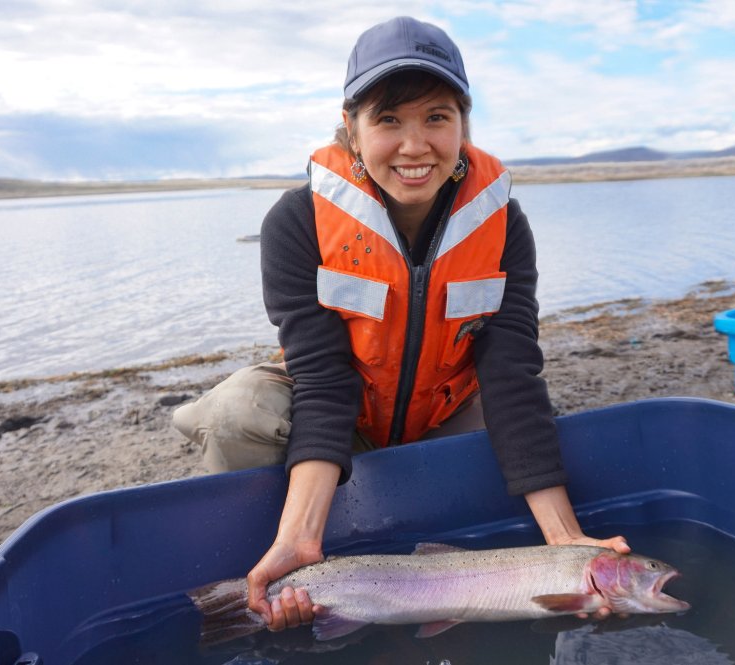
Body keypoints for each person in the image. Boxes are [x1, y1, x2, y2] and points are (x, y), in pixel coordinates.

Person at [172, 15, 629, 632]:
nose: (416, 146)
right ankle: (268, 565)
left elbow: (512, 373)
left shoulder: (504, 225)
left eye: (437, 118)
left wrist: (567, 543)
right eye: (389, 120)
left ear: (463, 125)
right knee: (236, 410)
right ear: (352, 129)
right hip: (340, 410)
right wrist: (302, 538)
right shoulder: (297, 220)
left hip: (443, 410)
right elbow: (323, 376)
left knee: (528, 423)